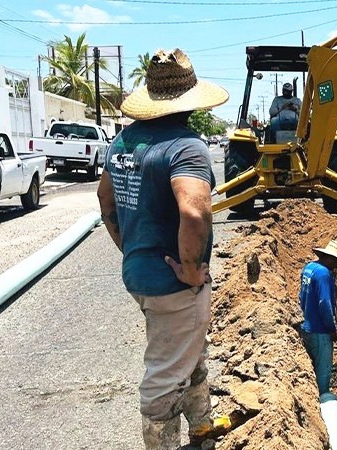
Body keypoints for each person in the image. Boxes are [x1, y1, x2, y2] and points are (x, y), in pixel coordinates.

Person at [96, 48, 232, 449]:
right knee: (164, 374)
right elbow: (193, 213)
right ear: (189, 99)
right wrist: (191, 270)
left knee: (188, 352)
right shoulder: (186, 146)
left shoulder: (123, 140)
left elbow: (105, 201)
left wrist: (129, 247)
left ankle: (203, 425)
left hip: (139, 275)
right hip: (174, 284)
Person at [298, 240, 337, 396]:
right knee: (323, 368)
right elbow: (325, 303)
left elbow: (301, 296)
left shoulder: (309, 268)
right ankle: (322, 398)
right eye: (336, 263)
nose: (335, 267)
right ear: (333, 259)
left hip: (306, 325)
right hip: (319, 330)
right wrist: (332, 329)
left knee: (313, 364)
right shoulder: (323, 274)